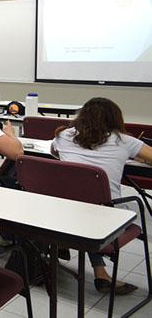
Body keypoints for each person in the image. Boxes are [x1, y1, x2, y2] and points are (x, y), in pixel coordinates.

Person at [52, 97, 152, 295]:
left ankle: (99, 272)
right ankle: (101, 275)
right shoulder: (125, 141)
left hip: (64, 213)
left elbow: (55, 153)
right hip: (106, 219)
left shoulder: (62, 135)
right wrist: (136, 155)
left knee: (86, 204)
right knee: (101, 209)